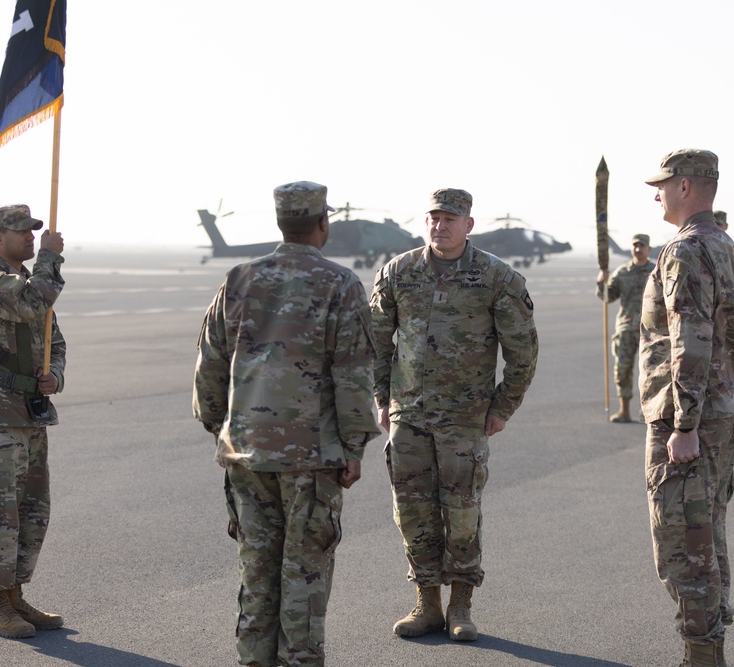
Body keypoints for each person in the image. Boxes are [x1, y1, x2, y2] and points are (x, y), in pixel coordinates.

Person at [194, 181, 380, 667]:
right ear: (323, 224)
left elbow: (209, 364)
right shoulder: (340, 284)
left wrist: (222, 429)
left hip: (247, 453)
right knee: (304, 575)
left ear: (280, 224)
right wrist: (355, 447)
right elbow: (353, 373)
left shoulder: (239, 278)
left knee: (256, 572)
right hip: (312, 457)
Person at [370, 188, 538, 642]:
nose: (440, 226)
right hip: (409, 414)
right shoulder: (399, 272)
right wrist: (383, 400)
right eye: (433, 217)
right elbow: (376, 342)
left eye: (450, 218)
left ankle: (462, 604)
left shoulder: (495, 277)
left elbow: (523, 350)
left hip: (465, 417)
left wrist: (503, 407)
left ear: (469, 224)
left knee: (462, 511)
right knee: (412, 511)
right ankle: (427, 603)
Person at [640, 150, 734, 667]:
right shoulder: (727, 245)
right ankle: (710, 650)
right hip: (724, 409)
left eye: (661, 185)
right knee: (709, 535)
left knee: (683, 542)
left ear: (685, 187)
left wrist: (683, 423)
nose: (655, 193)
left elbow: (692, 340)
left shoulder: (685, 250)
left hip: (691, 416)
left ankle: (701, 656)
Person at [0, 204, 66, 639]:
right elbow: (29, 305)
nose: (30, 237)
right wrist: (50, 258)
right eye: (21, 231)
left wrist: (54, 376)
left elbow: (54, 340)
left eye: (33, 231)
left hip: (29, 412)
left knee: (31, 511)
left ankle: (15, 595)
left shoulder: (31, 282)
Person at [596, 233, 655, 422]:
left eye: (642, 246)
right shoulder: (622, 272)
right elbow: (608, 297)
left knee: (653, 373)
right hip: (626, 327)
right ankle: (624, 410)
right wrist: (601, 282)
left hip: (651, 330)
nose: (638, 249)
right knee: (622, 370)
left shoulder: (656, 271)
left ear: (649, 249)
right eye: (635, 246)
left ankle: (653, 413)